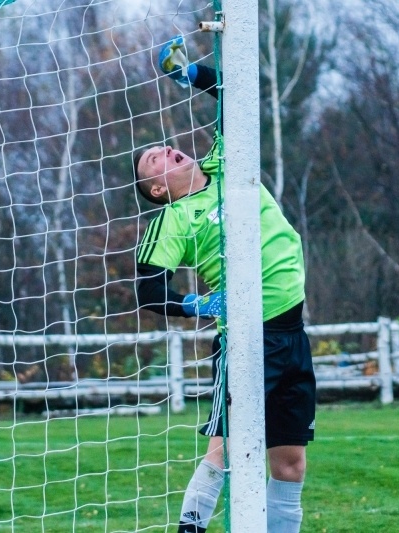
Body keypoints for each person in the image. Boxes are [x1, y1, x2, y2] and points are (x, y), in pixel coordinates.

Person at [133, 36, 316, 533]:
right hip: (247, 339)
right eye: (156, 161)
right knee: (229, 447)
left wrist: (188, 74)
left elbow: (236, 97)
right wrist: (201, 304)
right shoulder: (170, 221)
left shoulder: (225, 163)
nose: (168, 151)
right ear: (156, 188)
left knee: (290, 463)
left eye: (165, 148)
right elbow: (149, 292)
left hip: (292, 333)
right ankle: (190, 526)